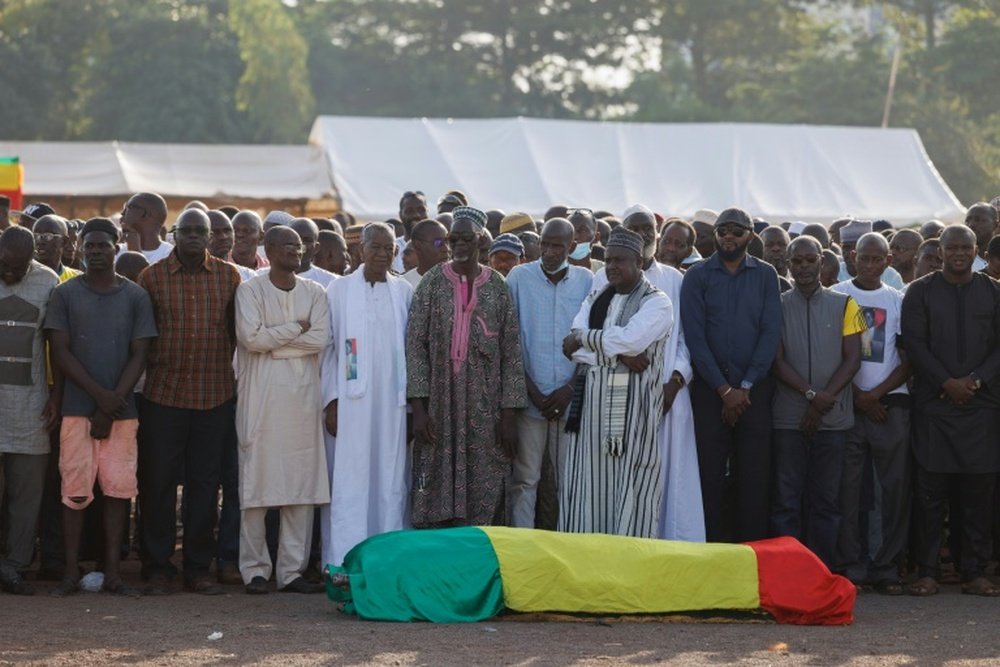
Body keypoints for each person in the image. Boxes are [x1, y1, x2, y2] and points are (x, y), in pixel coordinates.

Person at [45, 217, 158, 597]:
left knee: (118, 493)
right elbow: (60, 351)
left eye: (102, 245)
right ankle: (69, 572)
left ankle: (112, 572)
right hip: (78, 410)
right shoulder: (65, 294)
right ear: (79, 248)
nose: (95, 252)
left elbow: (140, 354)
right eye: (89, 246)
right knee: (74, 493)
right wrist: (100, 398)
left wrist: (110, 406)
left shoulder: (135, 296)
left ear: (116, 247)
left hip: (121, 413)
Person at [135, 208, 241, 595]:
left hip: (214, 396)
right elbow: (143, 339)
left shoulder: (229, 277)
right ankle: (158, 565)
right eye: (187, 231)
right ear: (174, 234)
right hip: (164, 395)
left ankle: (197, 567)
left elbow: (235, 333)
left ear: (211, 236)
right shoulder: (153, 277)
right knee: (158, 482)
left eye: (201, 231)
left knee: (204, 485)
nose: (194, 237)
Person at [406, 206, 526, 527]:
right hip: (439, 403)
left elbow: (511, 351)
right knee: (435, 475)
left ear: (480, 240)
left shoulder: (498, 287)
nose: (458, 244)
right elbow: (416, 345)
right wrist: (418, 408)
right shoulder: (431, 283)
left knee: (486, 474)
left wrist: (509, 415)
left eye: (466, 238)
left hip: (485, 406)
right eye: (453, 238)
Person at [591, 208, 704, 541]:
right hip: (617, 391)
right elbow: (592, 331)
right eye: (633, 229)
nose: (641, 235)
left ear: (656, 234)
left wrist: (674, 382)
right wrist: (625, 354)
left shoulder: (675, 279)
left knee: (672, 478)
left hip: (669, 396)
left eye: (647, 230)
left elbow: (687, 338)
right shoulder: (603, 278)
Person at [902, 225, 1000, 597]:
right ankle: (927, 571)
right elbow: (915, 344)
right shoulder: (920, 293)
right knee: (930, 495)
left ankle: (973, 571)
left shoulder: (994, 292)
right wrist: (946, 382)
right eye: (951, 248)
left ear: (976, 251)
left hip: (982, 406)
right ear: (940, 252)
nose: (958, 253)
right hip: (935, 405)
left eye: (966, 247)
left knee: (978, 495)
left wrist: (975, 381)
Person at [559, 226, 672, 537]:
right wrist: (620, 356)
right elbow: (575, 351)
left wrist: (585, 339)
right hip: (591, 416)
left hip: (634, 418)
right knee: (587, 489)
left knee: (630, 490)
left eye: (619, 261)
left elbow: (630, 341)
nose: (610, 267)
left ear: (639, 261)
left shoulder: (657, 302)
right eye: (607, 260)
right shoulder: (597, 297)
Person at [235, 226, 330, 594]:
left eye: (299, 244)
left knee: (301, 487)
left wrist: (274, 344)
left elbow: (320, 338)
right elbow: (250, 338)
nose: (296, 250)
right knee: (257, 487)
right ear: (270, 250)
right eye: (288, 245)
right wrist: (295, 329)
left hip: (303, 401)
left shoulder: (315, 292)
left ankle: (291, 572)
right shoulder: (250, 290)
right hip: (260, 400)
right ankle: (255, 570)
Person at [680, 207, 782, 543]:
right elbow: (695, 338)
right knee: (708, 476)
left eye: (737, 231)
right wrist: (724, 390)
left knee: (754, 478)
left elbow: (770, 333)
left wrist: (746, 386)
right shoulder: (696, 276)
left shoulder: (767, 276)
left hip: (754, 392)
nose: (728, 236)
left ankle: (752, 555)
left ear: (750, 236)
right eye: (723, 230)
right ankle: (709, 555)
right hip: (711, 393)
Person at [321, 222, 412, 567]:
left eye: (389, 248)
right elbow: (329, 350)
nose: (382, 254)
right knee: (350, 478)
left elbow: (409, 351)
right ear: (361, 250)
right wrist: (331, 400)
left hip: (391, 404)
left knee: (390, 478)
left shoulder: (402, 292)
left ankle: (386, 562)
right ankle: (343, 561)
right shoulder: (338, 290)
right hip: (351, 401)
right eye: (376, 247)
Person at [770, 236, 864, 569]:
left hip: (833, 418)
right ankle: (788, 572)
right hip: (789, 418)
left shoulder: (845, 303)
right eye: (798, 261)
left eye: (811, 260)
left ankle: (823, 572)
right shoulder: (777, 305)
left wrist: (823, 400)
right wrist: (812, 395)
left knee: (827, 500)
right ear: (788, 265)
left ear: (823, 261)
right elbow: (776, 361)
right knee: (786, 500)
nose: (805, 267)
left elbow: (853, 359)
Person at [831, 232, 912, 593]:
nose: (869, 264)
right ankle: (852, 564)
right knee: (848, 488)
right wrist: (858, 395)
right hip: (847, 404)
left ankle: (886, 565)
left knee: (890, 489)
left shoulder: (898, 300)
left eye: (877, 258)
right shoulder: (837, 297)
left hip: (889, 406)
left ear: (888, 261)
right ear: (852, 257)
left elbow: (909, 360)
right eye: (863, 257)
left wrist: (876, 394)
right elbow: (831, 357)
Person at [505, 218, 592, 529]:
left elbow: (590, 341)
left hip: (569, 398)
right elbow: (509, 338)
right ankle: (523, 547)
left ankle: (567, 545)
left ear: (571, 247)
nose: (550, 251)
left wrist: (569, 388)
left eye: (558, 245)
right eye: (545, 244)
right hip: (532, 397)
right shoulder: (518, 277)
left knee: (568, 480)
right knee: (525, 478)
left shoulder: (586, 280)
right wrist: (530, 389)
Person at [0, 226, 59, 595]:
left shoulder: (48, 282)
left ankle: (14, 565)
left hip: (30, 408)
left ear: (32, 259)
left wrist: (57, 396)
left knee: (27, 495)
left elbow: (59, 344)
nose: (9, 273)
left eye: (17, 268)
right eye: (3, 265)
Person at [838, 221, 905, 289]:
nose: (850, 252)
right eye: (846, 247)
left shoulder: (892, 277)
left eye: (857, 247)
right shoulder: (836, 272)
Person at [119, 193, 173, 263]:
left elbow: (147, 274)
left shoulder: (171, 255)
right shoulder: (115, 252)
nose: (122, 213)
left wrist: (135, 252)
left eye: (128, 208)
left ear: (145, 214)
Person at [402, 219, 448, 289]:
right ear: (418, 246)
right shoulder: (403, 285)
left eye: (447, 242)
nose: (446, 249)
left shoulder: (459, 281)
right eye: (438, 243)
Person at [397, 191, 429, 273]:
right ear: (400, 215)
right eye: (409, 211)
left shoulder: (437, 246)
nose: (416, 215)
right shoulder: (391, 248)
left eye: (421, 210)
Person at [964, 202, 998, 273]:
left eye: (978, 220)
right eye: (967, 220)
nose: (971, 224)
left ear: (995, 225)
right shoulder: (960, 261)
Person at [567, 208, 603, 272]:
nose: (575, 236)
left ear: (596, 237)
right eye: (571, 230)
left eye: (583, 231)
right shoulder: (554, 271)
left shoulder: (603, 271)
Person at [760, 225, 793, 291]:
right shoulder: (750, 287)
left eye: (782, 244)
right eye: (769, 245)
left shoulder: (799, 288)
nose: (776, 248)